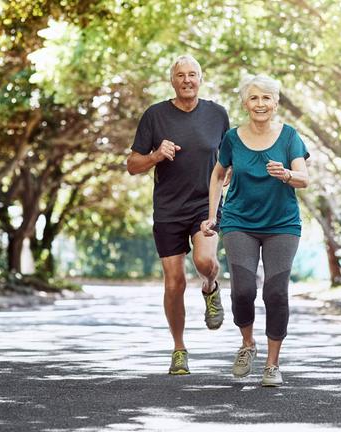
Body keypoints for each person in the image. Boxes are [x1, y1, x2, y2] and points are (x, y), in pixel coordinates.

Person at [200, 74, 310, 387]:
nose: (260, 104)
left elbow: (305, 178)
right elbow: (218, 174)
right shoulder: (233, 138)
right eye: (254, 98)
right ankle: (247, 345)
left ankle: (272, 365)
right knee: (244, 290)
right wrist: (212, 217)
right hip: (239, 222)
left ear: (275, 103)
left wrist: (287, 174)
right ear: (245, 103)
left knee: (275, 292)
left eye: (266, 98)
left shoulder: (289, 137)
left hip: (282, 224)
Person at [127, 55, 230, 375]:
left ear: (201, 78)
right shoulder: (155, 116)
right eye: (180, 75)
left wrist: (230, 174)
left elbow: (229, 158)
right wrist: (157, 155)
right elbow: (132, 165)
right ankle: (179, 349)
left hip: (206, 204)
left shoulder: (217, 114)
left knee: (205, 263)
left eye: (193, 74)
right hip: (169, 208)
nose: (187, 80)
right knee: (174, 282)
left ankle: (210, 287)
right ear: (172, 81)